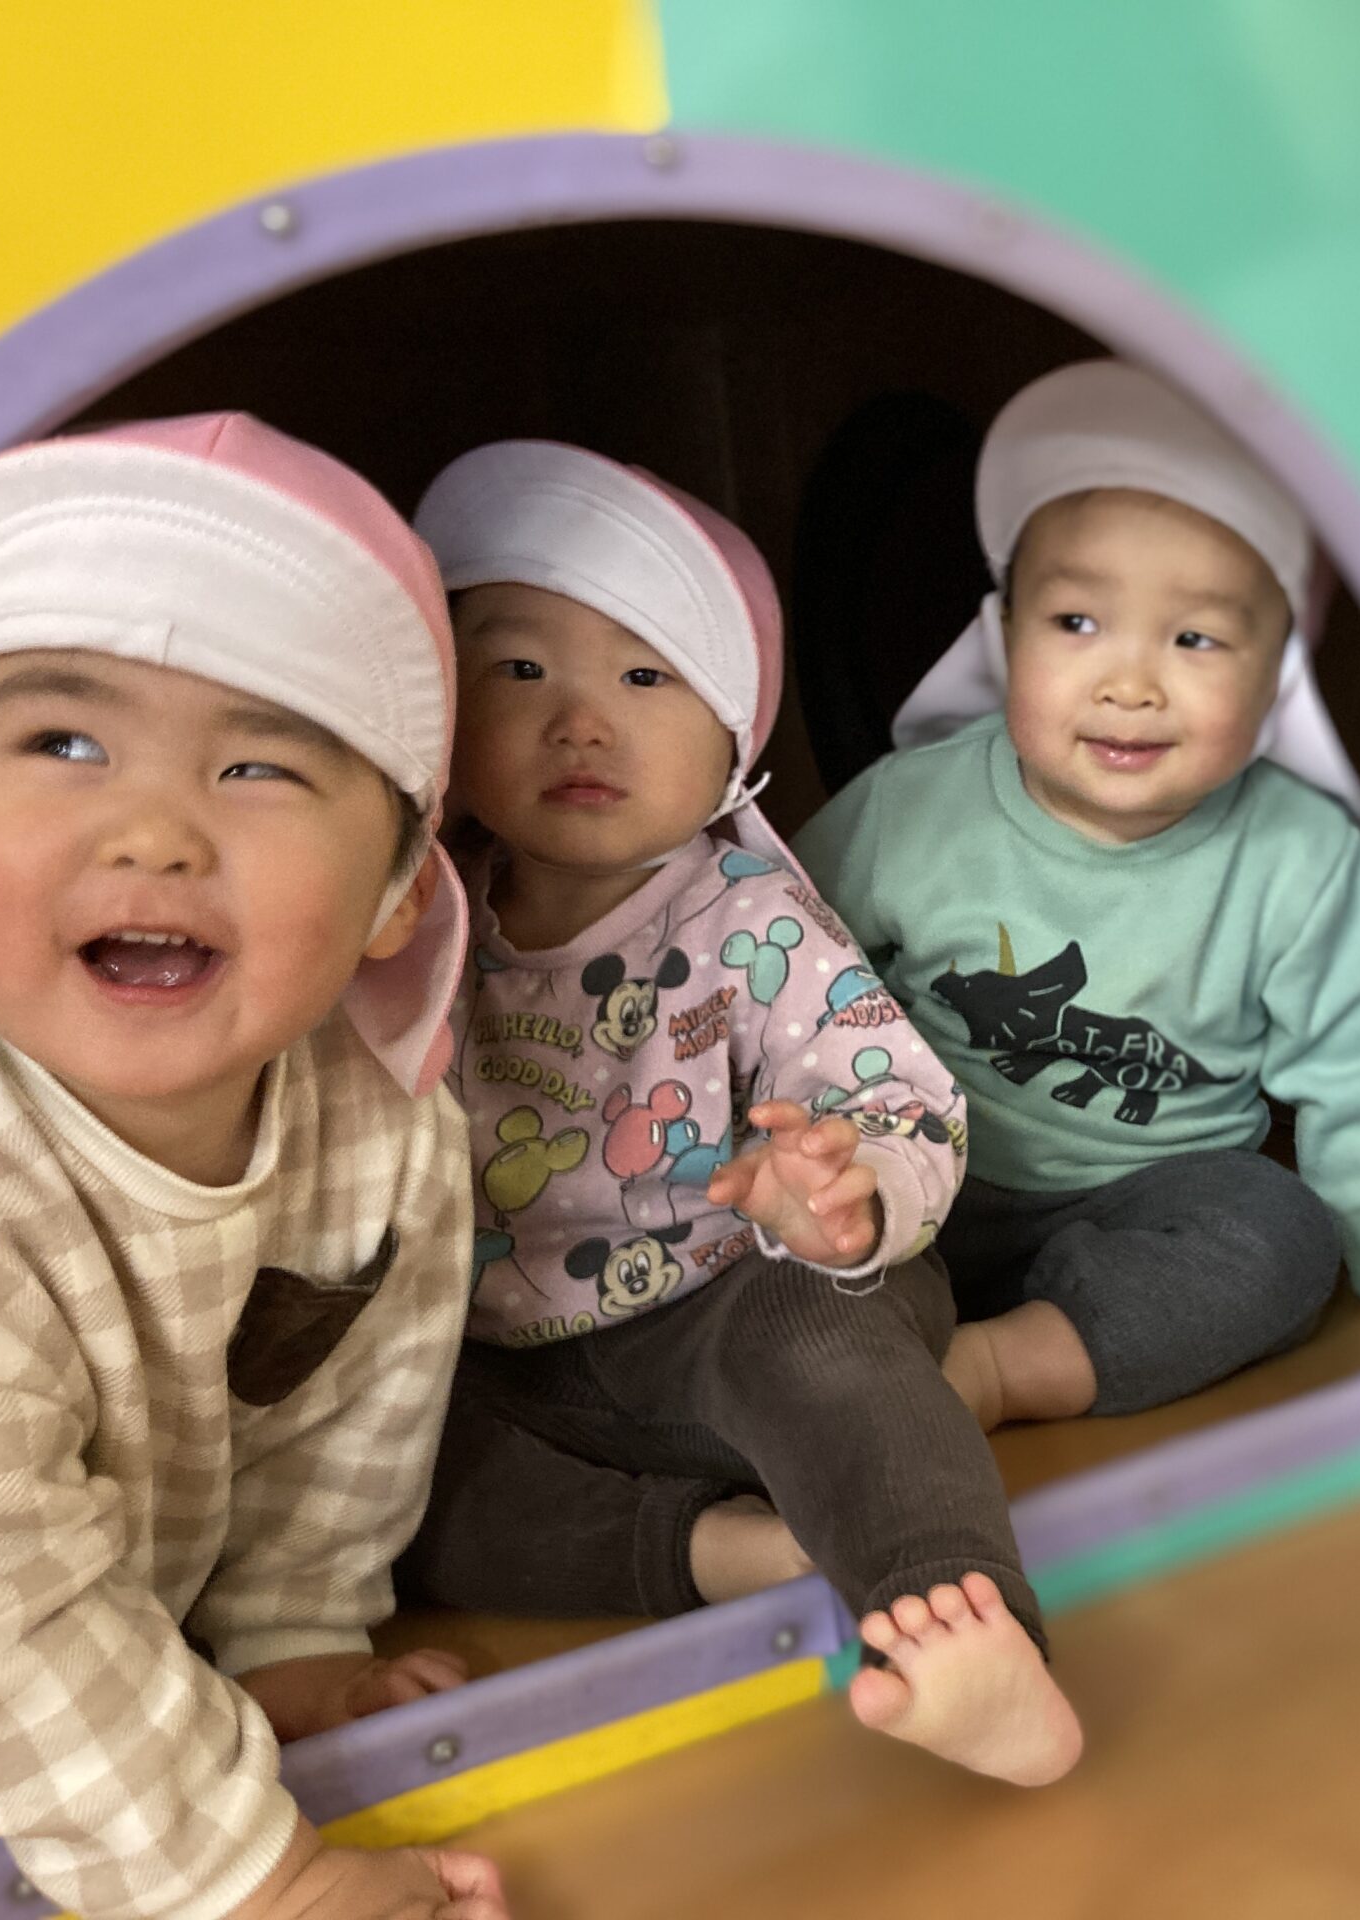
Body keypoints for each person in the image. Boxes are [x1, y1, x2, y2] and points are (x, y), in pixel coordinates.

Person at [0, 414, 506, 1920]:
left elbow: (349, 1410)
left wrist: (294, 1637)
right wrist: (257, 1881)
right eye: (63, 745)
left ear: (401, 890)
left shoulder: (380, 1116)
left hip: (112, 1590)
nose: (154, 834)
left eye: (260, 764)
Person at [394, 439, 1080, 1788]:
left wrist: (843, 1192)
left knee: (820, 1344)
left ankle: (965, 1628)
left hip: (730, 1306)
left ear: (732, 741)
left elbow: (892, 1089)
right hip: (506, 1357)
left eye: (646, 677)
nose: (579, 722)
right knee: (393, 1493)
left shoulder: (746, 916)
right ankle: (743, 1554)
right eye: (518, 670)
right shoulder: (417, 910)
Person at [793, 360, 1360, 1432]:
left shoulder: (1298, 855)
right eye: (1076, 622)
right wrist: (818, 1153)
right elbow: (781, 957)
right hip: (919, 1163)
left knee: (1285, 1235)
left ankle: (1001, 1367)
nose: (1130, 684)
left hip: (1157, 1198)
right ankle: (867, 1351)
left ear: (1278, 674)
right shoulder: (910, 807)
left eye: (1195, 638)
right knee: (784, 1226)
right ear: (1000, 635)